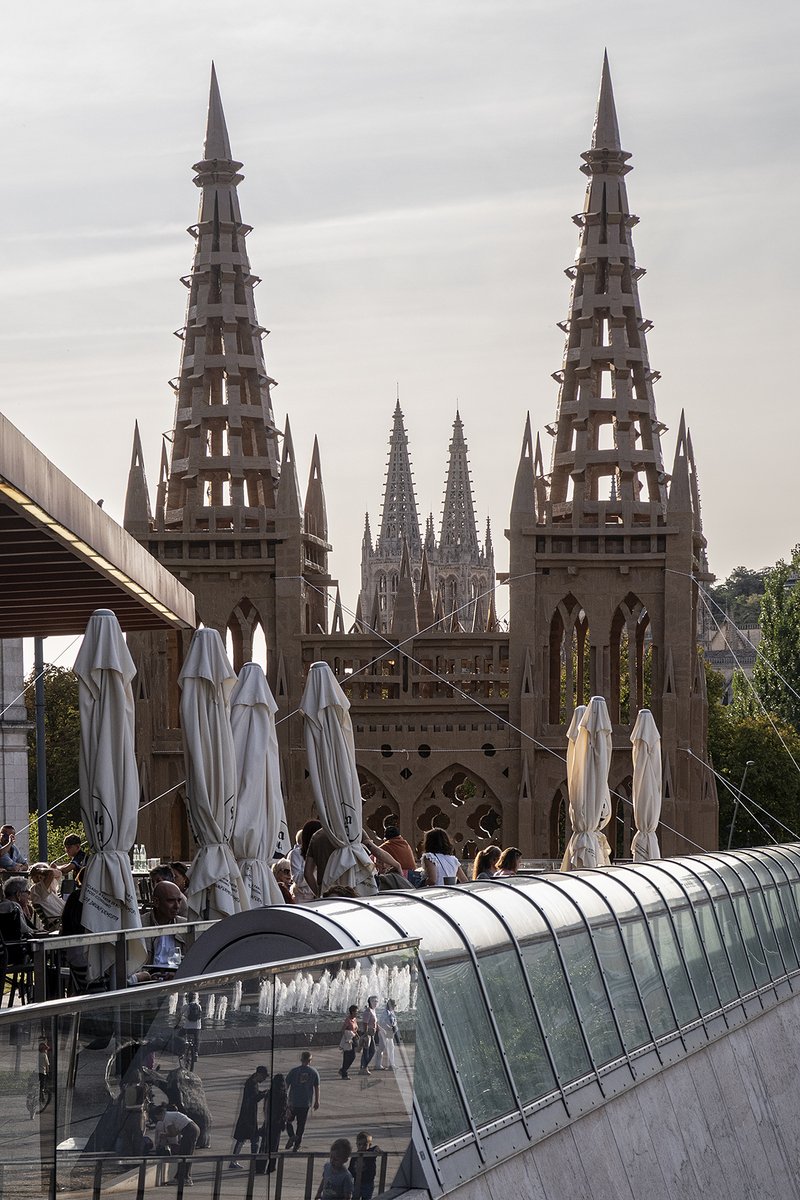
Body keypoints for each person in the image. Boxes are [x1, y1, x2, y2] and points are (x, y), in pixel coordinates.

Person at [230, 1065, 269, 1167]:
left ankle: (234, 1160)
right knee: (253, 1139)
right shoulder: (251, 1084)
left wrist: (262, 1093)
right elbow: (253, 1098)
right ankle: (253, 1161)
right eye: (263, 1077)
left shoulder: (252, 1082)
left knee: (242, 1139)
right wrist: (263, 1094)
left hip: (248, 1115)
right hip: (248, 1116)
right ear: (259, 1074)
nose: (264, 1079)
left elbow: (254, 1095)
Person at [141, 882, 187, 970]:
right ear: (156, 902)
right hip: (148, 979)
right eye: (171, 901)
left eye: (179, 900)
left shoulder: (184, 925)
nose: (177, 906)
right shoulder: (140, 925)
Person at [152, 1104, 199, 1186]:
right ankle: (179, 1177)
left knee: (185, 1155)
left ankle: (185, 1178)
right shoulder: (170, 1115)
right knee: (184, 1154)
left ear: (159, 1115)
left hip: (190, 1131)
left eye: (157, 1117)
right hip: (193, 1128)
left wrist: (164, 1135)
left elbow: (173, 1134)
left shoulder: (166, 1118)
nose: (158, 1120)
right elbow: (176, 1131)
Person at [284, 1050, 320, 1151]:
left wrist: (284, 1099)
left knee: (288, 1121)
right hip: (305, 1103)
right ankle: (297, 1145)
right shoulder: (314, 1072)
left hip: (293, 1102)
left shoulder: (294, 1071)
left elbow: (286, 1086)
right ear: (310, 1060)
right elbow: (317, 1087)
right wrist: (317, 1101)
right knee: (301, 1124)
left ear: (301, 1060)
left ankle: (291, 1135)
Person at [258, 1072, 287, 1174]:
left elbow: (265, 1108)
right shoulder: (283, 1094)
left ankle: (260, 1166)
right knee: (274, 1146)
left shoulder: (270, 1093)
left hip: (269, 1122)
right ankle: (271, 1166)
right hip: (277, 1124)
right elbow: (284, 1110)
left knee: (265, 1145)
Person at [291, 821, 322, 901]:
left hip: (321, 898)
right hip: (303, 899)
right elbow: (297, 879)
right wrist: (313, 868)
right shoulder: (296, 853)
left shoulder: (322, 852)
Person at [28, 863, 65, 927]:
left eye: (41, 875)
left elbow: (59, 873)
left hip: (62, 920)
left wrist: (39, 870)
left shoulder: (49, 886)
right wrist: (40, 871)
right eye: (36, 876)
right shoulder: (36, 889)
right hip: (59, 923)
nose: (39, 878)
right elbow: (51, 873)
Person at [349, 1131, 379, 1200]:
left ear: (369, 1145)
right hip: (357, 1183)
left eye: (365, 1144)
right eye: (359, 1144)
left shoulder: (370, 1154)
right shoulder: (355, 1156)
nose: (362, 1147)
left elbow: (375, 1149)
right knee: (355, 1197)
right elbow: (350, 1169)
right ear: (356, 1144)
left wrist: (377, 1148)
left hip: (368, 1183)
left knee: (366, 1198)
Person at [373, 999, 398, 1071]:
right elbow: (382, 1022)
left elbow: (395, 1021)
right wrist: (389, 1027)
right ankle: (377, 1065)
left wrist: (394, 1026)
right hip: (383, 1032)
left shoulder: (391, 1012)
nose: (394, 1007)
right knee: (381, 1048)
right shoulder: (384, 1013)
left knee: (391, 1047)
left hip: (390, 1032)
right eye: (393, 1005)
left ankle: (391, 1064)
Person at [179, 992, 203, 1062]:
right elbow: (200, 1016)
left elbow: (179, 1016)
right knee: (196, 1040)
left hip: (187, 1027)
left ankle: (181, 1052)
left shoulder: (186, 1006)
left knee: (179, 1036)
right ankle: (195, 1053)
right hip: (197, 1027)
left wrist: (177, 1024)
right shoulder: (199, 1006)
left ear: (187, 999)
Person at [338, 1004, 359, 1079]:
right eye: (356, 1012)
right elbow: (343, 1030)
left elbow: (355, 1029)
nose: (357, 1013)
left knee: (352, 1057)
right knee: (347, 1057)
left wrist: (356, 1035)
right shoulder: (348, 1020)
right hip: (348, 1040)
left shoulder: (354, 1019)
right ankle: (344, 1074)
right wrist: (347, 1038)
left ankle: (343, 1070)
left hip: (353, 1039)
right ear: (352, 1012)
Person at [359, 995, 378, 1074]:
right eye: (374, 1001)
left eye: (377, 1001)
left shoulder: (373, 1010)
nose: (376, 1003)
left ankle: (363, 1067)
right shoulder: (368, 1011)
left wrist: (380, 1029)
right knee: (370, 1051)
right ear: (370, 1002)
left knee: (369, 1051)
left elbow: (375, 1022)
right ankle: (364, 1067)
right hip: (368, 1033)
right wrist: (366, 1034)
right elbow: (365, 1023)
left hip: (372, 1033)